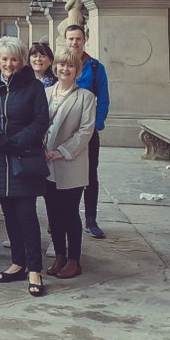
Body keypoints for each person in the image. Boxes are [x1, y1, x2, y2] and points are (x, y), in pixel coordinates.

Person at [0, 36, 49, 297]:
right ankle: (18, 263)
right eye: (4, 59)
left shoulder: (33, 87)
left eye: (14, 59)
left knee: (27, 215)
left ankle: (34, 269)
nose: (9, 64)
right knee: (8, 213)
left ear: (21, 61)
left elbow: (41, 121)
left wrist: (15, 142)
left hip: (23, 157)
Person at [43, 48, 96, 280]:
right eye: (62, 65)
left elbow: (86, 132)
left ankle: (74, 259)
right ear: (55, 68)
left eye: (70, 66)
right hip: (46, 164)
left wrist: (61, 152)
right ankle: (60, 256)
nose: (65, 69)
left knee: (70, 214)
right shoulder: (45, 93)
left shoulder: (86, 97)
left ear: (77, 71)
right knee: (53, 214)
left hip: (70, 163)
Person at [65, 24, 110, 239]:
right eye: (71, 39)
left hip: (88, 132)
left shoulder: (95, 67)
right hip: (65, 133)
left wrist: (96, 124)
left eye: (78, 39)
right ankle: (65, 216)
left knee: (90, 175)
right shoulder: (61, 65)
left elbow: (104, 98)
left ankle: (91, 218)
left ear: (84, 40)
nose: (75, 43)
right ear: (65, 41)